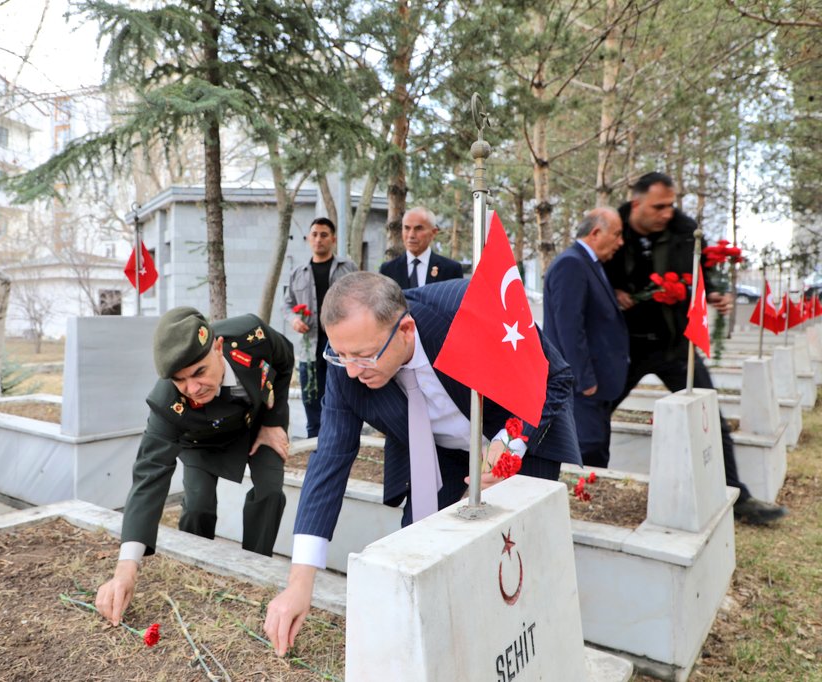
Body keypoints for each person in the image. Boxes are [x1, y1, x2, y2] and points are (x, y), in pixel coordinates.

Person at [263, 272, 581, 655]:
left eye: (363, 356)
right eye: (340, 355)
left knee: (518, 549)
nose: (350, 370)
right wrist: (301, 581)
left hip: (518, 430)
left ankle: (524, 642)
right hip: (438, 450)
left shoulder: (467, 309)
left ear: (406, 329)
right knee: (420, 547)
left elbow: (554, 378)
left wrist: (509, 445)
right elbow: (330, 459)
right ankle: (443, 648)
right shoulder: (349, 356)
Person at [604, 171, 786, 525]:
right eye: (659, 206)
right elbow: (592, 272)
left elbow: (701, 273)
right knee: (592, 415)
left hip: (675, 345)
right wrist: (611, 294)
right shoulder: (613, 228)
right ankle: (580, 480)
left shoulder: (684, 231)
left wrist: (715, 293)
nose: (667, 212)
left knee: (709, 418)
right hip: (624, 348)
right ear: (637, 202)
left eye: (671, 204)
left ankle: (737, 496)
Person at [95, 307, 294, 626]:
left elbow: (285, 360)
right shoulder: (166, 404)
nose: (193, 388)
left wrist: (273, 420)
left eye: (199, 372)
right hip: (202, 440)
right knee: (198, 506)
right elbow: (149, 477)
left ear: (217, 347)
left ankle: (254, 572)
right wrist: (125, 568)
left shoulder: (249, 335)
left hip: (257, 425)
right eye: (180, 380)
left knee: (270, 493)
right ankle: (196, 569)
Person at [543, 208, 629, 467]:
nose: (620, 242)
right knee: (588, 453)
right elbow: (570, 328)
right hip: (582, 388)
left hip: (594, 387)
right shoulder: (572, 264)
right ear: (596, 233)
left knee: (597, 449)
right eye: (616, 234)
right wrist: (584, 380)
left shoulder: (589, 263)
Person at [283, 217, 357, 438]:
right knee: (310, 393)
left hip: (340, 343)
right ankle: (314, 439)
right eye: (314, 234)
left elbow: (361, 297)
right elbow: (287, 304)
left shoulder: (347, 268)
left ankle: (339, 437)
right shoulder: (299, 272)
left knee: (340, 389)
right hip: (310, 344)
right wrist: (294, 319)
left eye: (324, 235)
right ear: (308, 239)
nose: (318, 239)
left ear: (333, 239)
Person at [379, 206, 463, 288]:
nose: (411, 235)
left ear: (433, 233)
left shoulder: (450, 270)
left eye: (418, 228)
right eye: (407, 228)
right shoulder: (388, 270)